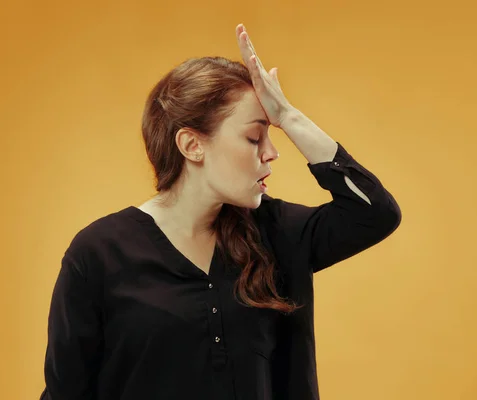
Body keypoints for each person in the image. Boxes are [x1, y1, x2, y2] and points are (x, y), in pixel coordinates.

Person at [39, 24, 401, 400]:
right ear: (192, 145)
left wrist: (289, 117)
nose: (272, 152)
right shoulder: (98, 254)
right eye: (252, 137)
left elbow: (375, 213)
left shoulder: (276, 234)